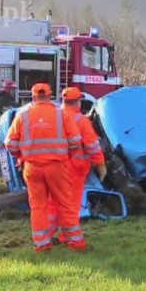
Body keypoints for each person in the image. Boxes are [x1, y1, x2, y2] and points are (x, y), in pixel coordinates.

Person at [4, 83, 84, 252]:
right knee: (65, 204)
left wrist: (21, 156)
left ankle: (41, 245)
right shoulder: (60, 114)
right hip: (57, 166)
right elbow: (76, 140)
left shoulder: (22, 115)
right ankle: (75, 243)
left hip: (32, 168)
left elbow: (9, 143)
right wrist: (66, 153)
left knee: (38, 206)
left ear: (33, 98)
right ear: (49, 96)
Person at [47, 87, 108, 243]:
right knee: (71, 206)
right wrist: (100, 164)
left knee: (53, 204)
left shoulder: (53, 118)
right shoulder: (81, 120)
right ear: (78, 102)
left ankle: (44, 237)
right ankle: (68, 237)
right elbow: (92, 145)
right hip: (74, 169)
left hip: (53, 168)